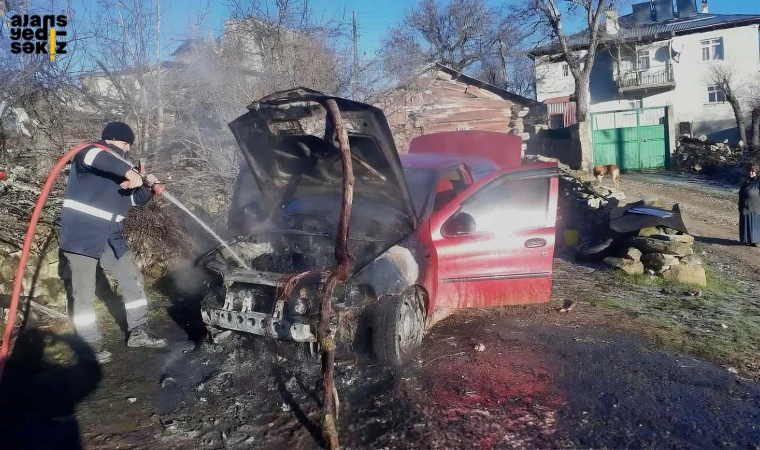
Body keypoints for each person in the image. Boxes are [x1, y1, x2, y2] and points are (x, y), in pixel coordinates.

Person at [60, 122, 166, 364]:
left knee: (132, 279)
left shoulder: (120, 168)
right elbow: (99, 156)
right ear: (110, 139)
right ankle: (90, 345)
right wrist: (129, 172)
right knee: (84, 293)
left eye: (129, 146)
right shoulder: (91, 153)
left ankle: (138, 332)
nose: (127, 149)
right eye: (124, 143)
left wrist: (148, 187)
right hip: (82, 235)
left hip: (111, 236)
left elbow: (135, 200)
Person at [738, 163, 760, 246]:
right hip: (745, 208)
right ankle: (747, 240)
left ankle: (757, 241)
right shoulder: (746, 182)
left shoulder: (758, 181)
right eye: (749, 171)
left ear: (757, 172)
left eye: (753, 171)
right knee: (746, 223)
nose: (751, 173)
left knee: (755, 224)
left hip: (755, 209)